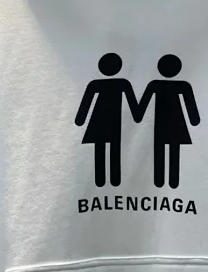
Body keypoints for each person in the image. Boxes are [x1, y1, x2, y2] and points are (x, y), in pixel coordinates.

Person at [134, 55, 200, 189]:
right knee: (174, 151)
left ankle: (160, 181)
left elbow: (142, 106)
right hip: (177, 123)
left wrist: (138, 116)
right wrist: (194, 120)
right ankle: (172, 182)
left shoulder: (154, 85)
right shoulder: (182, 85)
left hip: (161, 124)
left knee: (160, 150)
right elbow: (191, 107)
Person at [74, 53, 139, 187]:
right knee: (114, 148)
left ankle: (102, 180)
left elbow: (86, 104)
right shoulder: (123, 83)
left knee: (100, 148)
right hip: (113, 122)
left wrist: (80, 120)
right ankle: (114, 179)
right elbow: (133, 103)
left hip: (98, 120)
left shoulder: (96, 84)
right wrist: (137, 116)